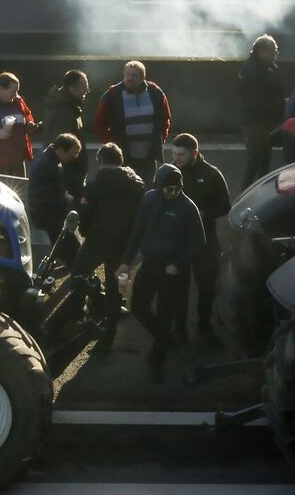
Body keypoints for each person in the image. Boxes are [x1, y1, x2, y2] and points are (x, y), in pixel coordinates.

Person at [117, 164, 207, 382]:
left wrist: (179, 263)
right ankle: (163, 337)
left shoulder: (187, 207)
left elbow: (199, 242)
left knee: (166, 314)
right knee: (138, 305)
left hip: (173, 270)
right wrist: (126, 263)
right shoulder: (148, 200)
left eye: (176, 189)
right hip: (151, 264)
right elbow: (137, 230)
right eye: (168, 189)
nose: (172, 193)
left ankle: (157, 360)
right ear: (159, 187)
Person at [74, 143, 144, 349]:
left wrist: (86, 233)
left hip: (98, 240)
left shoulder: (94, 184)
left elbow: (84, 216)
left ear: (101, 161)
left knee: (79, 272)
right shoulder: (137, 182)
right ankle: (111, 326)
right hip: (125, 244)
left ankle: (82, 315)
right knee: (119, 281)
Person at [167, 133, 231, 346]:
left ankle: (204, 325)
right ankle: (179, 329)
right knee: (177, 288)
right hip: (177, 241)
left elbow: (225, 206)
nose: (175, 158)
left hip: (205, 239)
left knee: (206, 287)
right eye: (173, 153)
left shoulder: (212, 174)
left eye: (181, 154)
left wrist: (205, 214)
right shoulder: (169, 173)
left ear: (195, 153)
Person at [93, 60, 172, 179]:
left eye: (134, 75)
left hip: (148, 157)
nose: (130, 78)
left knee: (147, 188)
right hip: (123, 156)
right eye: (127, 75)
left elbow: (165, 119)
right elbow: (99, 123)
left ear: (142, 77)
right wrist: (112, 145)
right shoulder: (113, 95)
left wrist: (160, 140)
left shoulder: (155, 93)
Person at [236, 35, 284, 191]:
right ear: (262, 51)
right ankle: (245, 194)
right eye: (274, 50)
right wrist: (280, 105)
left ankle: (257, 193)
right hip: (256, 122)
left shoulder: (260, 68)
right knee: (255, 160)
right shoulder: (255, 71)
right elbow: (255, 100)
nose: (276, 53)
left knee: (263, 160)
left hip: (261, 121)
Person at [37, 70, 91, 196]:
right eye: (84, 87)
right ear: (72, 88)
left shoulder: (67, 107)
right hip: (69, 177)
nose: (87, 90)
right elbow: (62, 147)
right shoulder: (65, 112)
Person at [26, 134, 82, 244]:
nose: (72, 160)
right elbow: (44, 198)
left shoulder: (45, 157)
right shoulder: (50, 167)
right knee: (71, 250)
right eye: (71, 156)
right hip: (48, 218)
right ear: (61, 150)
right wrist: (66, 200)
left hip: (45, 215)